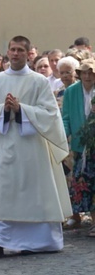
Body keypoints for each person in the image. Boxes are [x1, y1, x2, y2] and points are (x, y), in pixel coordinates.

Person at [0, 35, 71, 255]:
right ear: (7, 53)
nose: (16, 53)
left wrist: (22, 110)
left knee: (33, 192)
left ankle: (37, 241)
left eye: (20, 50)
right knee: (1, 192)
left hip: (32, 147)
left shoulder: (39, 81)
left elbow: (50, 115)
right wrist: (4, 109)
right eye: (12, 49)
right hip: (4, 144)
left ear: (29, 54)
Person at [62, 59, 95, 234]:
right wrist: (63, 134)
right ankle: (76, 216)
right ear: (79, 74)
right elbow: (65, 116)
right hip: (79, 144)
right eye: (84, 72)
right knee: (80, 181)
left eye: (91, 72)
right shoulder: (71, 92)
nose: (88, 76)